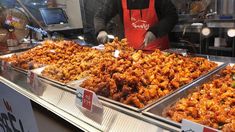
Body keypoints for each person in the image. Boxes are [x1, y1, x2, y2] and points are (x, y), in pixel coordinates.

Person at [94, 0, 178, 51]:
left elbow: (172, 16)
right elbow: (100, 16)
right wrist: (101, 30)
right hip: (132, 54)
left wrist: (155, 31)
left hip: (159, 54)